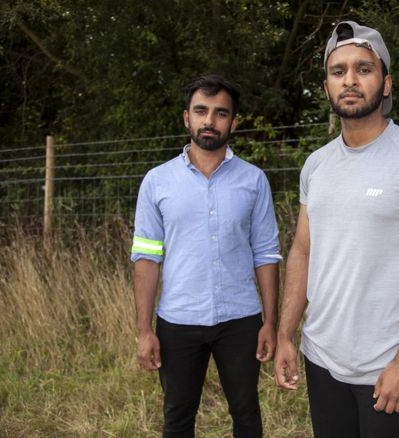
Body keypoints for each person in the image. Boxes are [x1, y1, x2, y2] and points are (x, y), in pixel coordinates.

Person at [274, 21, 399, 437]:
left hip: (387, 369)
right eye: (338, 71)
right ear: (326, 87)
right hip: (321, 358)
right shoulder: (316, 165)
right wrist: (286, 334)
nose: (350, 80)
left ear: (387, 83)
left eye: (364, 68)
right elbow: (303, 251)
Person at [131, 74, 281, 438]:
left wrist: (270, 323)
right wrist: (144, 330)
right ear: (187, 118)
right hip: (178, 320)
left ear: (233, 122)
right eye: (201, 111)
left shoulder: (254, 180)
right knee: (178, 419)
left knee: (247, 415)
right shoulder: (157, 181)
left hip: (241, 320)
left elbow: (266, 255)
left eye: (220, 113)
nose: (209, 121)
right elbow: (147, 259)